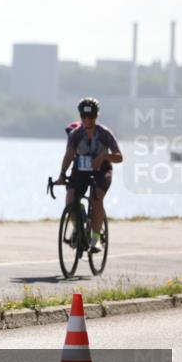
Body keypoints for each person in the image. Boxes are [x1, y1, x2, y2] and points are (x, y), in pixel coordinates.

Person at [56, 97, 123, 253]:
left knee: (96, 198)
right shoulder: (75, 134)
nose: (87, 120)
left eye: (91, 116)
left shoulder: (105, 134)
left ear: (96, 116)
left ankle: (96, 238)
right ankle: (77, 227)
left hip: (102, 170)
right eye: (84, 117)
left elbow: (119, 157)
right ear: (80, 117)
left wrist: (104, 157)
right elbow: (68, 155)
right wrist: (62, 174)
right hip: (81, 170)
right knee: (70, 199)